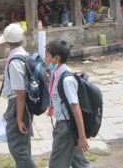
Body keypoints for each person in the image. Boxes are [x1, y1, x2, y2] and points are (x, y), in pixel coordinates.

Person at [0, 24, 37, 168]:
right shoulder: (25, 56)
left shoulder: (15, 62)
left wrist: (19, 119)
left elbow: (20, 93)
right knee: (23, 146)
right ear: (22, 40)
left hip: (18, 105)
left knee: (18, 149)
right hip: (21, 104)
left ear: (7, 43)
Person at [45, 40, 90, 168]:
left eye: (47, 56)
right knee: (79, 162)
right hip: (64, 124)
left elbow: (76, 109)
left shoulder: (66, 79)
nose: (45, 59)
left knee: (56, 164)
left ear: (56, 58)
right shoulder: (56, 74)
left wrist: (82, 137)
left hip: (68, 127)